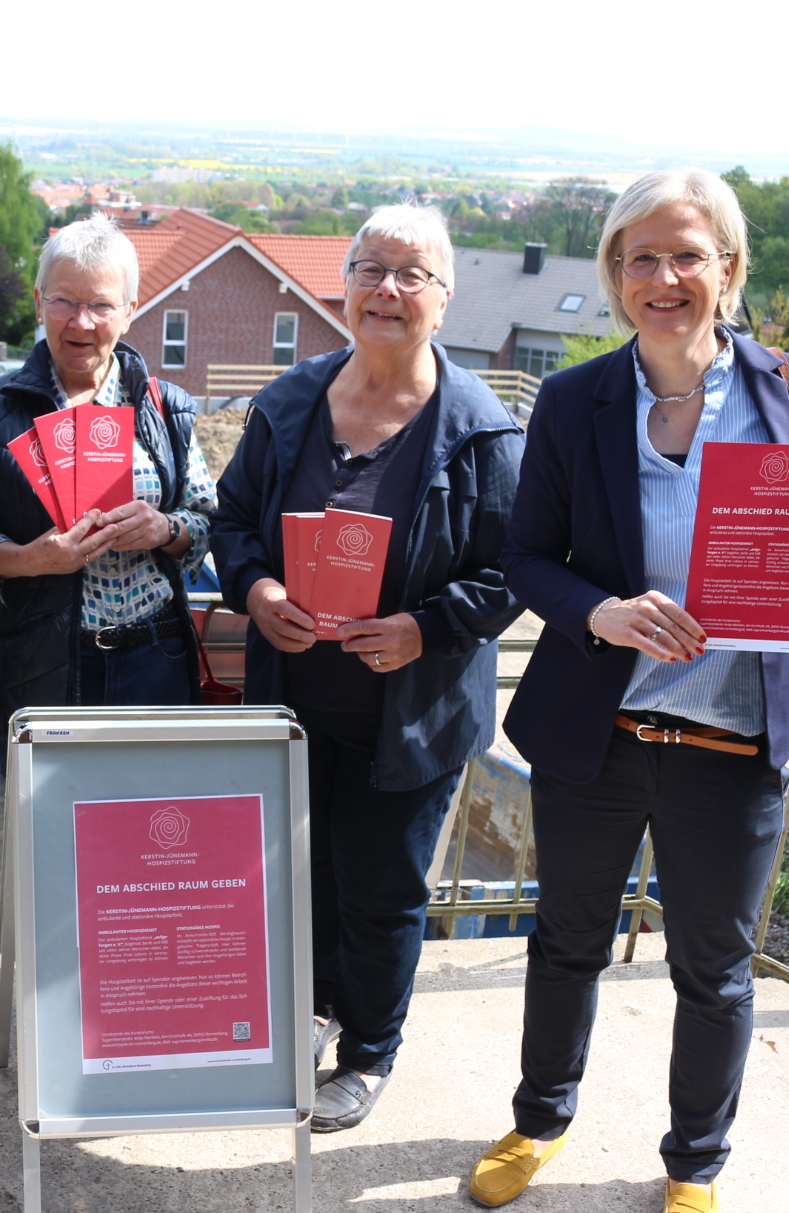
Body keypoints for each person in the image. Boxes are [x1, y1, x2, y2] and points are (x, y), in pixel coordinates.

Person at [472, 168, 789, 1213]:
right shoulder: (574, 400)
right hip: (599, 734)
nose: (664, 277)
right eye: (640, 258)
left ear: (729, 268)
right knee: (566, 944)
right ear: (615, 275)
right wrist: (601, 611)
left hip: (730, 742)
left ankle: (695, 1165)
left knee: (716, 971)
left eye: (687, 254)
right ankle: (539, 1119)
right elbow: (525, 557)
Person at [210, 204, 525, 1133]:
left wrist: (427, 628)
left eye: (411, 275)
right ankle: (314, 1008)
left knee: (383, 890)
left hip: (409, 712)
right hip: (295, 700)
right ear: (343, 285)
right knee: (301, 873)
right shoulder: (288, 404)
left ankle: (369, 1051)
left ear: (444, 298)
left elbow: (518, 568)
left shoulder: (482, 431)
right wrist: (257, 590)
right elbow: (233, 521)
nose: (387, 290)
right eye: (370, 270)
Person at [0, 213, 217, 738]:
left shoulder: (166, 408)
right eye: (64, 301)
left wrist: (166, 528)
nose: (81, 322)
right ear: (38, 302)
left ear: (130, 311)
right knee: (50, 797)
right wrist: (31, 559)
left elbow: (206, 520)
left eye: (101, 305)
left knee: (148, 792)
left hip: (154, 661)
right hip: (39, 662)